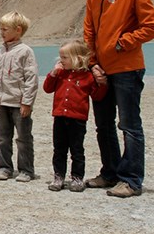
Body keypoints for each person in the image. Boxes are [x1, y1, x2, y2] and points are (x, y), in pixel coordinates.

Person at [83, 0, 154, 198]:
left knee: (129, 125)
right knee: (103, 125)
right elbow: (89, 29)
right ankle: (110, 173)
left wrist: (121, 43)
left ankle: (131, 180)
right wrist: (93, 63)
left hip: (127, 68)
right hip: (101, 70)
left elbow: (151, 26)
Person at [43, 39, 108, 192]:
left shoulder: (87, 77)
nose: (61, 61)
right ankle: (58, 176)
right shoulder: (60, 74)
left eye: (64, 58)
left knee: (77, 150)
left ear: (77, 58)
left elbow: (97, 96)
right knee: (59, 149)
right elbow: (47, 88)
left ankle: (77, 178)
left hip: (77, 120)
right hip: (59, 117)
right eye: (61, 57)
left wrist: (102, 84)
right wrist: (52, 73)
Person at [0, 11, 38, 182]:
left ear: (18, 30)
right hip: (2, 102)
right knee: (3, 138)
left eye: (5, 29)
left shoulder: (25, 52)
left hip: (19, 103)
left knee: (23, 138)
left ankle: (26, 170)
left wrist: (27, 102)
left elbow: (31, 79)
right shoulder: (0, 52)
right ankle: (4, 167)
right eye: (0, 29)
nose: (1, 33)